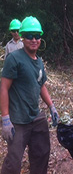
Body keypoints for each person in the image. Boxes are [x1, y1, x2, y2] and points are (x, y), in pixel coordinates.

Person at [0, 16, 59, 174]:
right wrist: (5, 118)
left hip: (35, 116)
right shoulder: (14, 58)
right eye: (29, 36)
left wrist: (51, 106)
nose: (34, 39)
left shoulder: (38, 61)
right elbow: (4, 87)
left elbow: (41, 85)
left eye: (37, 36)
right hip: (18, 120)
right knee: (13, 162)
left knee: (42, 153)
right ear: (23, 37)